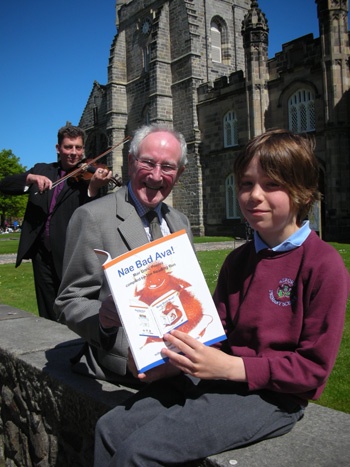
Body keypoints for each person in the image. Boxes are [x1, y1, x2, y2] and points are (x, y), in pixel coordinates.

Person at [93, 129, 350, 466]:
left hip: (273, 397)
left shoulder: (322, 264)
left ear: (301, 190)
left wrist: (231, 366)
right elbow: (211, 333)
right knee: (109, 429)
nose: (254, 195)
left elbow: (313, 370)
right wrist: (166, 363)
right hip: (217, 379)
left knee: (138, 453)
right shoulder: (238, 261)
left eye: (271, 184)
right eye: (246, 184)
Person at [54, 124, 193, 384]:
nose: (156, 175)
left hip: (181, 359)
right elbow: (69, 301)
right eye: (148, 163)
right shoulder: (92, 217)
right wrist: (103, 319)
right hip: (123, 365)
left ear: (180, 172)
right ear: (130, 162)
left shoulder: (181, 222)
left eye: (168, 167)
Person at [0, 125, 112, 321]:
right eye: (69, 147)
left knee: (73, 305)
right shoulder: (41, 170)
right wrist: (30, 178)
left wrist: (93, 188)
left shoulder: (89, 178)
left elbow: (91, 217)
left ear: (83, 149)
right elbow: (5, 185)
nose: (74, 153)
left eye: (78, 148)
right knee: (46, 307)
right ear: (58, 148)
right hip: (41, 252)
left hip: (69, 252)